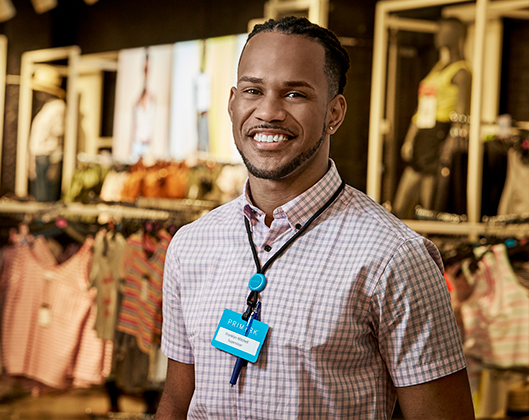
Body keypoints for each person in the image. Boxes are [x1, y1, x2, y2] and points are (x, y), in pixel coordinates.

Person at [156, 16, 475, 420]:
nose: (268, 112)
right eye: (253, 90)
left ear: (334, 113)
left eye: (294, 95)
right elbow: (176, 402)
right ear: (233, 101)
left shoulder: (395, 258)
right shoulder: (190, 244)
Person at [392, 18, 471, 219]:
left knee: (429, 203)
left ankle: (430, 239)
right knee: (402, 202)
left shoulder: (461, 71)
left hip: (439, 132)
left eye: (444, 31)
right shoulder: (438, 67)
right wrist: (411, 137)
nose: (438, 36)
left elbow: (460, 117)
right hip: (424, 132)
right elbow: (422, 107)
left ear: (457, 35)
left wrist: (450, 145)